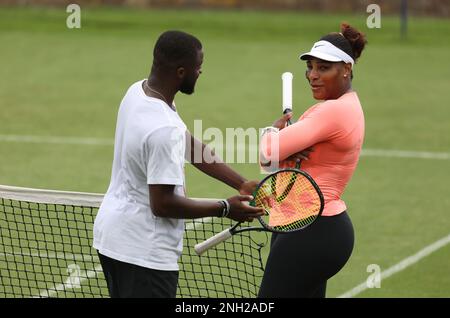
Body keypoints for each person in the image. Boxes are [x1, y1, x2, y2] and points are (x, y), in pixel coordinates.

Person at [93, 30, 264, 298]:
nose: (201, 73)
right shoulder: (163, 128)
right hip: (144, 253)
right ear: (182, 72)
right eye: (199, 67)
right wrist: (225, 208)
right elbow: (162, 204)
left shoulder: (139, 92)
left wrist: (240, 183)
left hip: (113, 238)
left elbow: (189, 144)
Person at [258, 23, 367, 298]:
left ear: (346, 68)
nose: (312, 76)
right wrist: (284, 148)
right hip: (315, 228)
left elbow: (267, 154)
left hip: (311, 230)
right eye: (311, 67)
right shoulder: (348, 105)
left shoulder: (331, 111)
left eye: (323, 68)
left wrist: (273, 130)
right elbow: (275, 159)